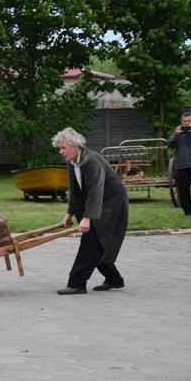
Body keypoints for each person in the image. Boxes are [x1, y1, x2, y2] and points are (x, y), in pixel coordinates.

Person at [52, 127, 129, 296]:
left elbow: (96, 191)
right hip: (96, 202)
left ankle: (77, 283)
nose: (60, 152)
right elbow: (75, 191)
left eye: (63, 148)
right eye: (60, 148)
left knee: (91, 241)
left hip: (111, 202)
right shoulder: (73, 162)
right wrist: (69, 213)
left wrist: (87, 218)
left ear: (75, 146)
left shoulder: (91, 161)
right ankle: (114, 279)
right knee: (97, 241)